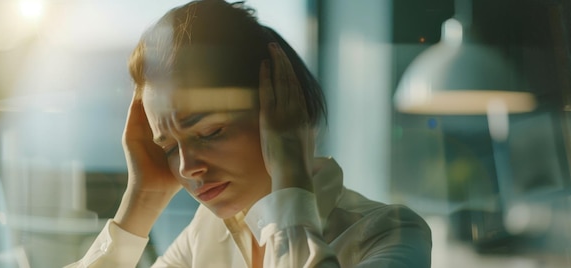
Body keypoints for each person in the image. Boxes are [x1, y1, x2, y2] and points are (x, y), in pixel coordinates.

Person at [69, 0, 432, 267]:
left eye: (210, 131)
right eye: (168, 147)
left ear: (282, 112)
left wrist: (290, 175)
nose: (186, 167)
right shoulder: (207, 233)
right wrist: (142, 199)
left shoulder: (390, 235)